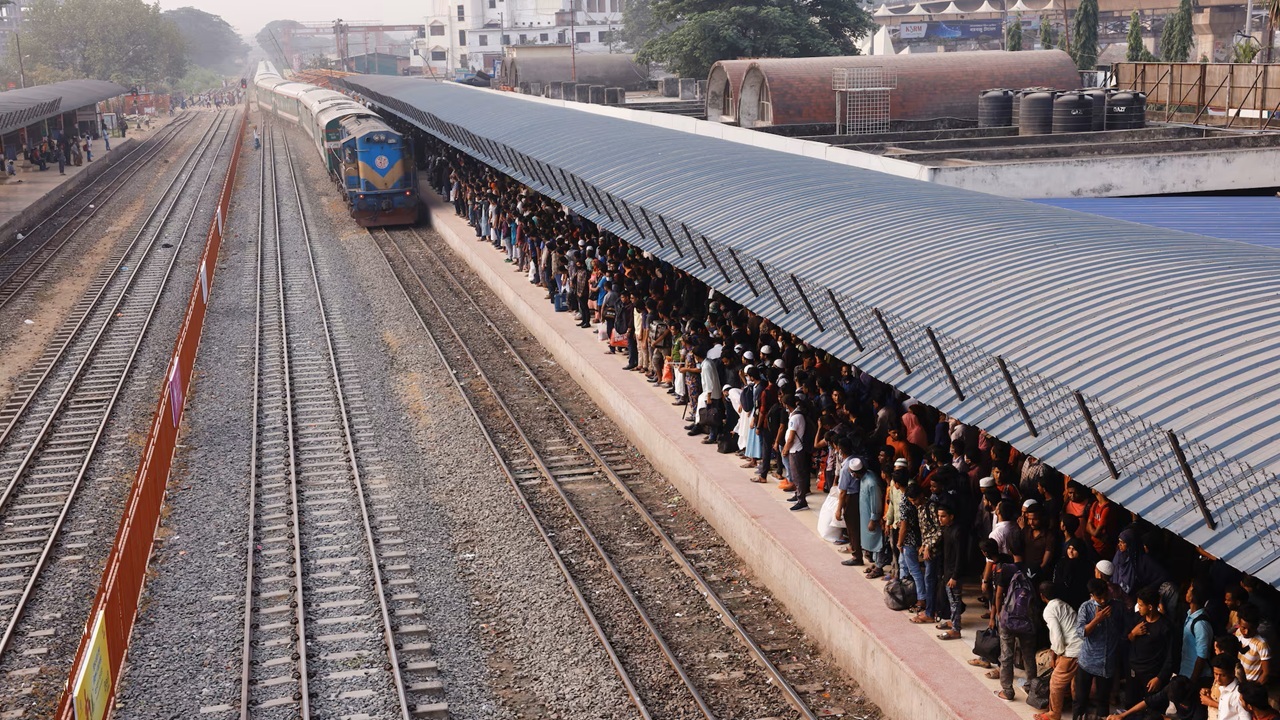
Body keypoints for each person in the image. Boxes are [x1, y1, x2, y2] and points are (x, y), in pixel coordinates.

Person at [1075, 578, 1122, 720]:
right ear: (1092, 595)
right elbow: (1081, 632)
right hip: (1087, 662)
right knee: (1080, 700)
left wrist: (1111, 618)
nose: (1102, 600)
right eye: (1099, 597)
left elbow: (1123, 631)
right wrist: (1096, 620)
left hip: (1106, 664)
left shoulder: (1118, 607)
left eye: (1105, 596)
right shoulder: (1086, 607)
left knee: (1103, 702)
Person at [1037, 581, 1082, 720]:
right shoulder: (1064, 605)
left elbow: (1057, 637)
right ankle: (1078, 712)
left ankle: (1054, 714)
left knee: (1056, 682)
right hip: (1082, 648)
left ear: (1042, 596)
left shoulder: (1049, 610)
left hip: (1072, 650)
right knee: (1076, 682)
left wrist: (1055, 655)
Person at [1126, 585, 1174, 714]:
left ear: (1150, 607)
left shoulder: (1165, 627)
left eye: (1141, 605)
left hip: (1152, 676)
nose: (1139, 608)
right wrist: (1133, 633)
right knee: (1131, 708)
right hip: (1134, 673)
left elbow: (1170, 656)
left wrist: (1160, 678)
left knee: (1153, 711)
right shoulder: (1136, 618)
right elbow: (1124, 640)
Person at [936, 503, 965, 640]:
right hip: (947, 571)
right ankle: (953, 622)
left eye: (943, 516)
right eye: (939, 516)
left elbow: (960, 556)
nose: (940, 519)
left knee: (955, 601)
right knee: (950, 599)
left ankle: (956, 629)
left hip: (954, 573)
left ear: (951, 517)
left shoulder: (958, 532)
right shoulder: (947, 530)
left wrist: (955, 576)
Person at [782, 394, 809, 510]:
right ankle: (798, 494)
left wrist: (785, 449)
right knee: (796, 474)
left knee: (798, 475)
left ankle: (802, 501)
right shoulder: (795, 415)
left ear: (787, 405)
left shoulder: (795, 418)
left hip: (795, 449)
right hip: (795, 449)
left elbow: (791, 438)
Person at [1201, 654, 1244, 720]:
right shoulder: (1222, 687)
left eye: (1223, 675)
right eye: (1216, 674)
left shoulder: (1238, 695)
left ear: (1232, 673)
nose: (1218, 678)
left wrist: (1210, 702)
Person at [1235, 605, 1271, 684]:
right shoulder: (1238, 633)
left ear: (1256, 626)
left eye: (1251, 628)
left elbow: (1266, 673)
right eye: (1243, 628)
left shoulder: (1261, 644)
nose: (1246, 632)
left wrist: (1253, 689)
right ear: (1239, 623)